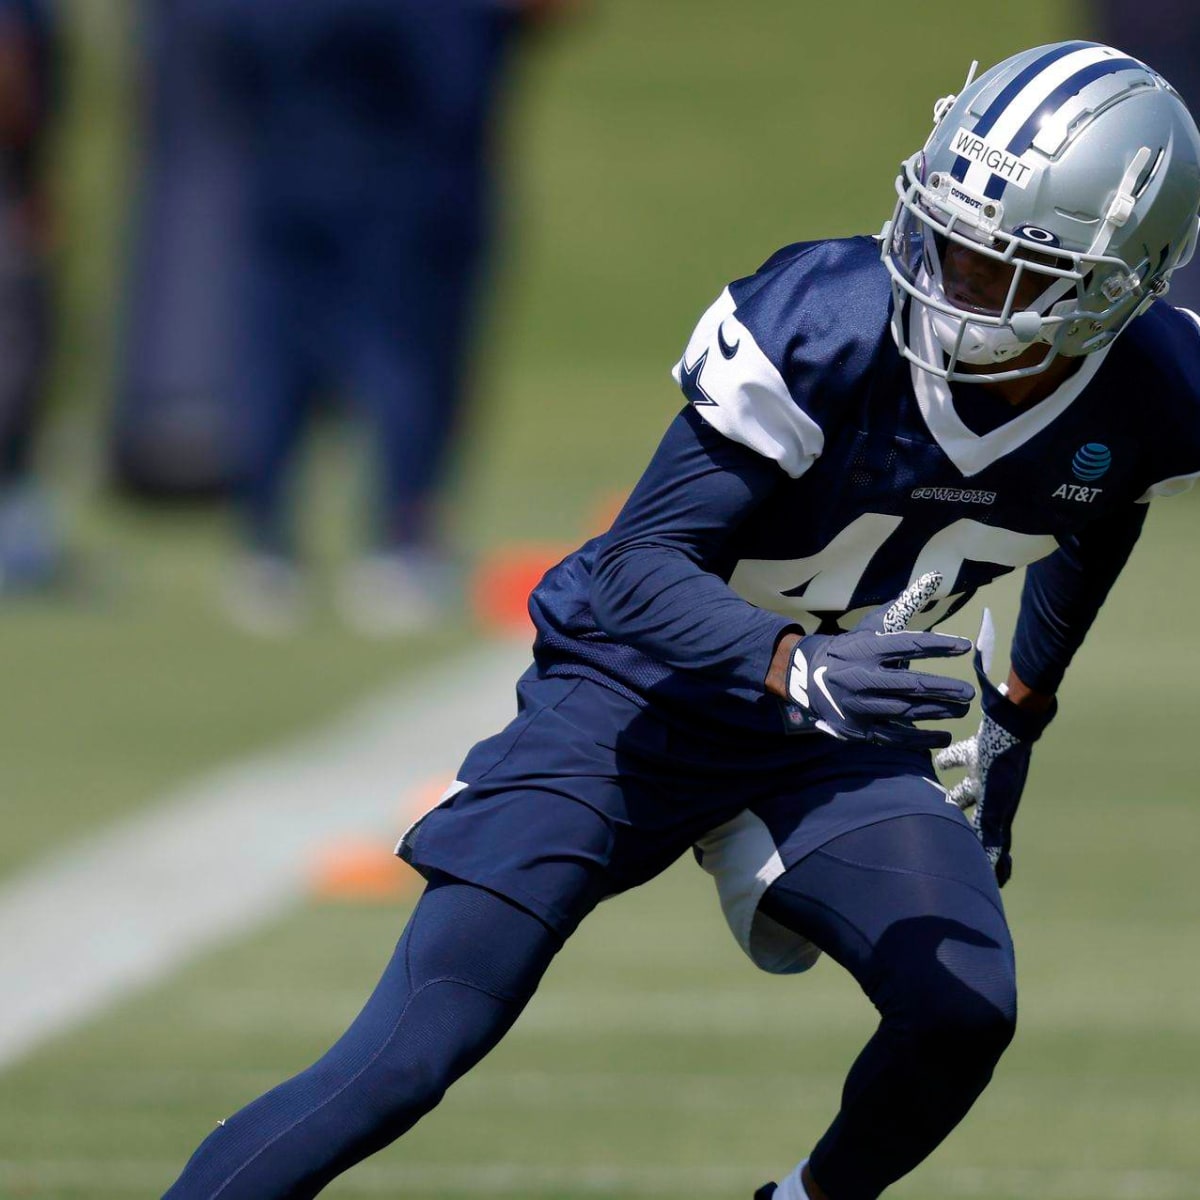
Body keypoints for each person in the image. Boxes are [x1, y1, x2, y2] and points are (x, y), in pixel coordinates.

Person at [162, 41, 1200, 1200]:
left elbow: (1107, 510)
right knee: (408, 1057)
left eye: (1001, 267)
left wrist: (1017, 714)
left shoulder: (1160, 387)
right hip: (634, 694)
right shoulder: (829, 319)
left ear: (1119, 283)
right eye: (944, 232)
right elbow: (635, 567)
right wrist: (791, 667)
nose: (946, 276)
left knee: (961, 1013)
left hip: (829, 732)